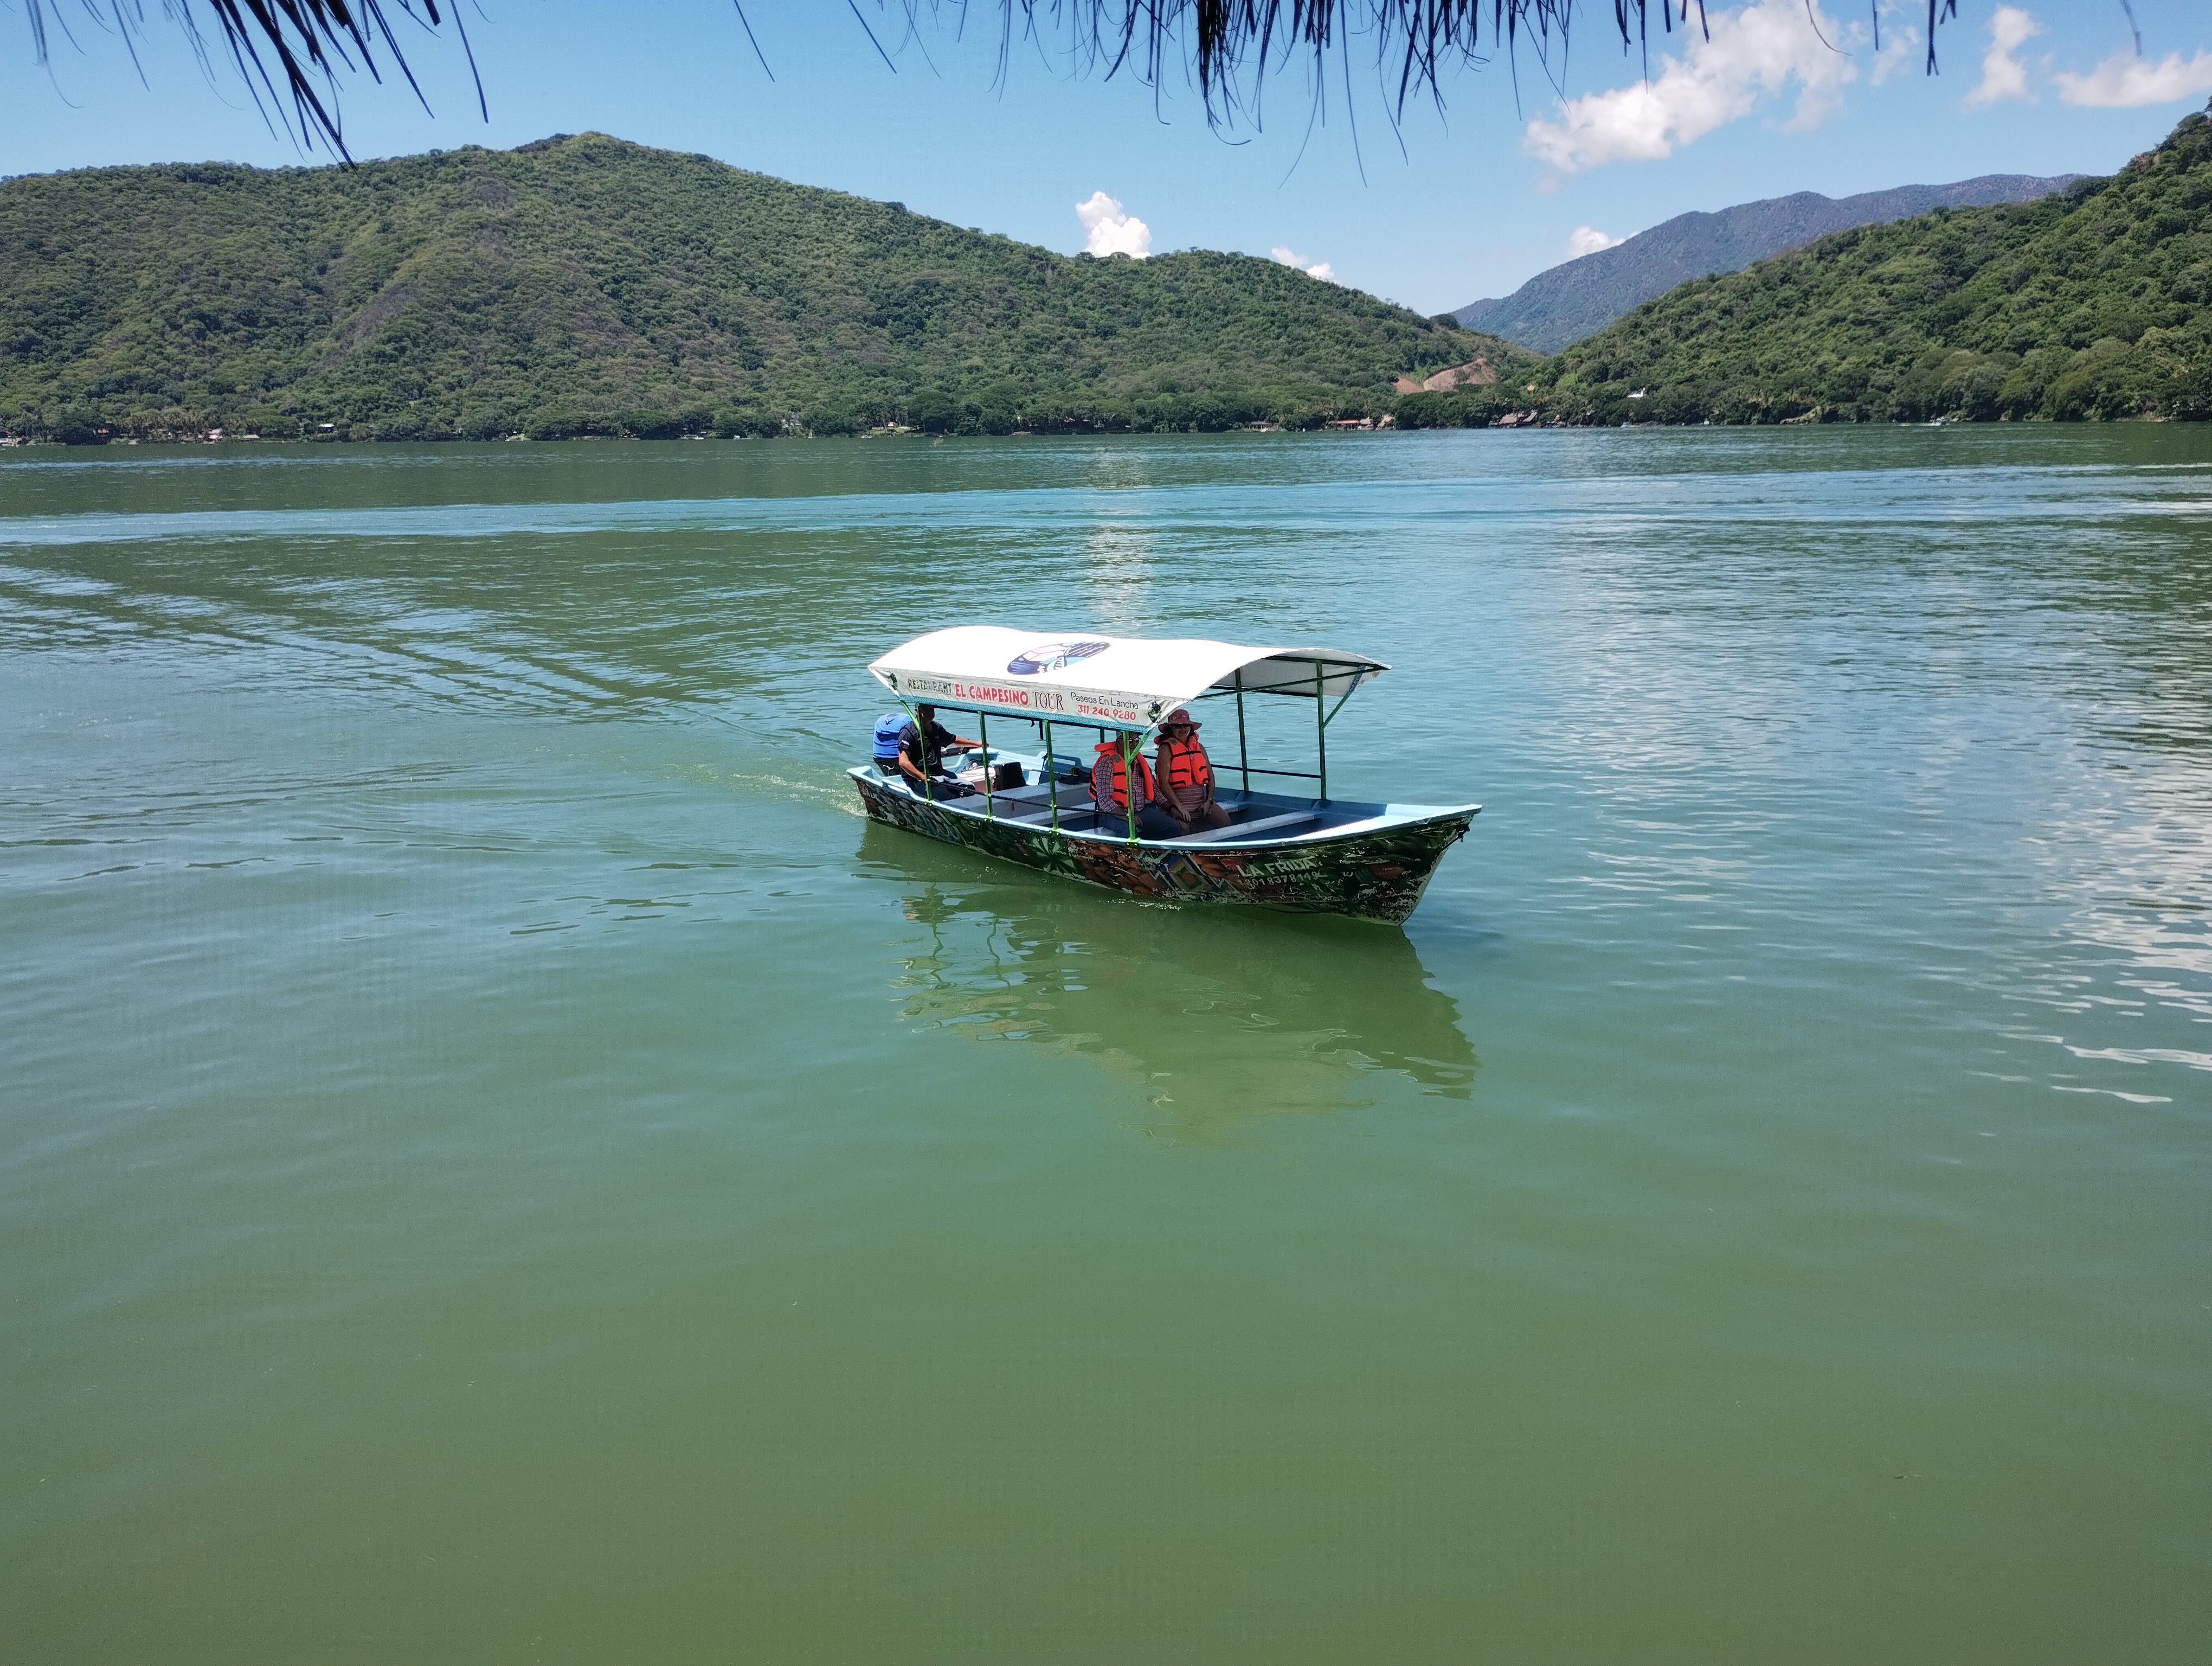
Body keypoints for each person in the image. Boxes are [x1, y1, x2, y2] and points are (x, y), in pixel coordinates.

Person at [1090, 732, 1184, 839]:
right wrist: (1127, 816)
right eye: (1130, 741)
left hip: (1140, 810)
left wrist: (1172, 808)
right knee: (1129, 832)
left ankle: (1150, 851)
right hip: (1113, 814)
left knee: (1173, 827)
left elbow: (1155, 791)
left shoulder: (1139, 762)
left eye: (1137, 740)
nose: (1135, 744)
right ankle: (1128, 854)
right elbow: (1104, 799)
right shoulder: (1106, 763)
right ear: (1120, 742)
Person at [1153, 707, 1231, 832]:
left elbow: (1210, 777)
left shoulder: (1199, 747)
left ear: (1191, 727)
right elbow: (1163, 782)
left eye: (1186, 725)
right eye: (1178, 726)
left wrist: (1209, 801)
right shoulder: (1166, 749)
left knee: (1225, 822)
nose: (1183, 729)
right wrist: (1178, 806)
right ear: (1171, 728)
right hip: (1177, 803)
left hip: (1200, 802)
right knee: (1184, 829)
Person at [897, 704, 980, 799]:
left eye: (932, 709)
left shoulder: (936, 727)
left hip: (939, 772)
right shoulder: (908, 732)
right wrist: (923, 778)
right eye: (926, 709)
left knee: (969, 788)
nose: (930, 712)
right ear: (917, 712)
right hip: (917, 778)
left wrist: (976, 744)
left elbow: (953, 739)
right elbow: (903, 762)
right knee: (946, 796)